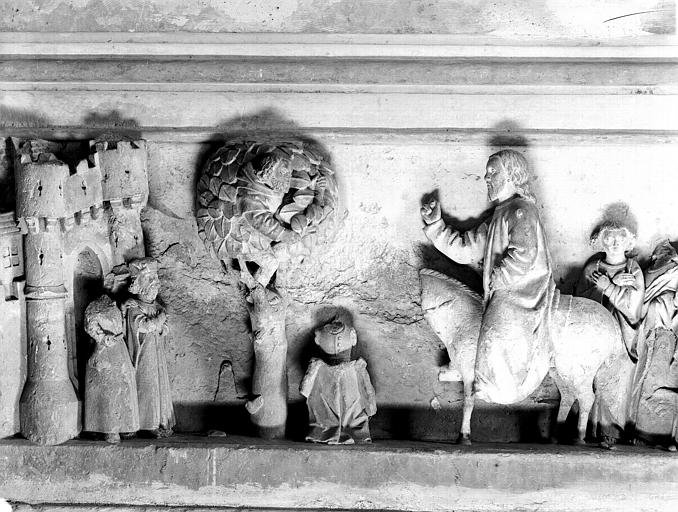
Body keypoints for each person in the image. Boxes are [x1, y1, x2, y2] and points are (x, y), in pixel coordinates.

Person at [421, 149, 555, 404]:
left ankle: (502, 390)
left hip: (521, 296)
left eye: (494, 172)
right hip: (501, 292)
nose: (486, 177)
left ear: (513, 175)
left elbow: (525, 254)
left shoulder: (521, 211)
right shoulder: (498, 216)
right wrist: (436, 226)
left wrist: (497, 278)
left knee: (493, 337)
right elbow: (465, 248)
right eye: (487, 172)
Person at [575, 221, 643, 446]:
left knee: (616, 376)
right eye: (609, 238)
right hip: (594, 338)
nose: (614, 243)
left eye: (619, 238)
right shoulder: (591, 269)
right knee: (589, 376)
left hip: (622, 338)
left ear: (628, 242)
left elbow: (633, 308)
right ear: (600, 241)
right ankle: (584, 430)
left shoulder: (633, 270)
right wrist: (606, 285)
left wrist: (611, 288)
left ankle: (611, 432)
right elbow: (581, 305)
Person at [630, 240, 678, 446]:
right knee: (644, 381)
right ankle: (641, 432)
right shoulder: (652, 272)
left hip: (665, 336)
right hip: (651, 334)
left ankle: (656, 434)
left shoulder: (672, 272)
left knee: (661, 385)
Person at [122, 258, 175, 436]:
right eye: (149, 280)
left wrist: (161, 323)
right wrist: (160, 319)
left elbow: (164, 328)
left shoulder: (158, 307)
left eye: (155, 281)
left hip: (156, 353)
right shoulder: (133, 307)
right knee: (147, 386)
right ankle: (146, 423)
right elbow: (145, 326)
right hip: (144, 356)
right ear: (139, 285)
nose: (154, 285)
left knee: (157, 386)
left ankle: (158, 421)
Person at [83, 295, 139, 444]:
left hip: (120, 348)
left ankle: (125, 424)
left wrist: (123, 309)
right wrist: (103, 338)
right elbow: (90, 326)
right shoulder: (94, 307)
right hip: (105, 350)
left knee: (125, 385)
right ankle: (109, 429)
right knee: (109, 390)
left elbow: (119, 323)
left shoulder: (114, 305)